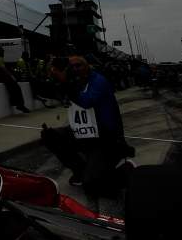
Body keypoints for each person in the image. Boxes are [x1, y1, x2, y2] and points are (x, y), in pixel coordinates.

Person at [40, 55, 132, 195]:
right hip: (82, 133)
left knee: (92, 186)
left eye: (79, 65)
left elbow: (87, 101)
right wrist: (53, 75)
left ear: (87, 66)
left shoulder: (98, 81)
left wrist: (65, 83)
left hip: (103, 137)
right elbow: (51, 93)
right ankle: (80, 171)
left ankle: (126, 169)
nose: (76, 69)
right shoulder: (75, 81)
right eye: (72, 66)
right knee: (49, 135)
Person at [0, 44, 29, 113]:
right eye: (2, 49)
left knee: (13, 88)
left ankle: (16, 103)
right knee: (16, 87)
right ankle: (20, 105)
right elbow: (4, 69)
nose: (3, 51)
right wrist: (12, 76)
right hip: (2, 77)